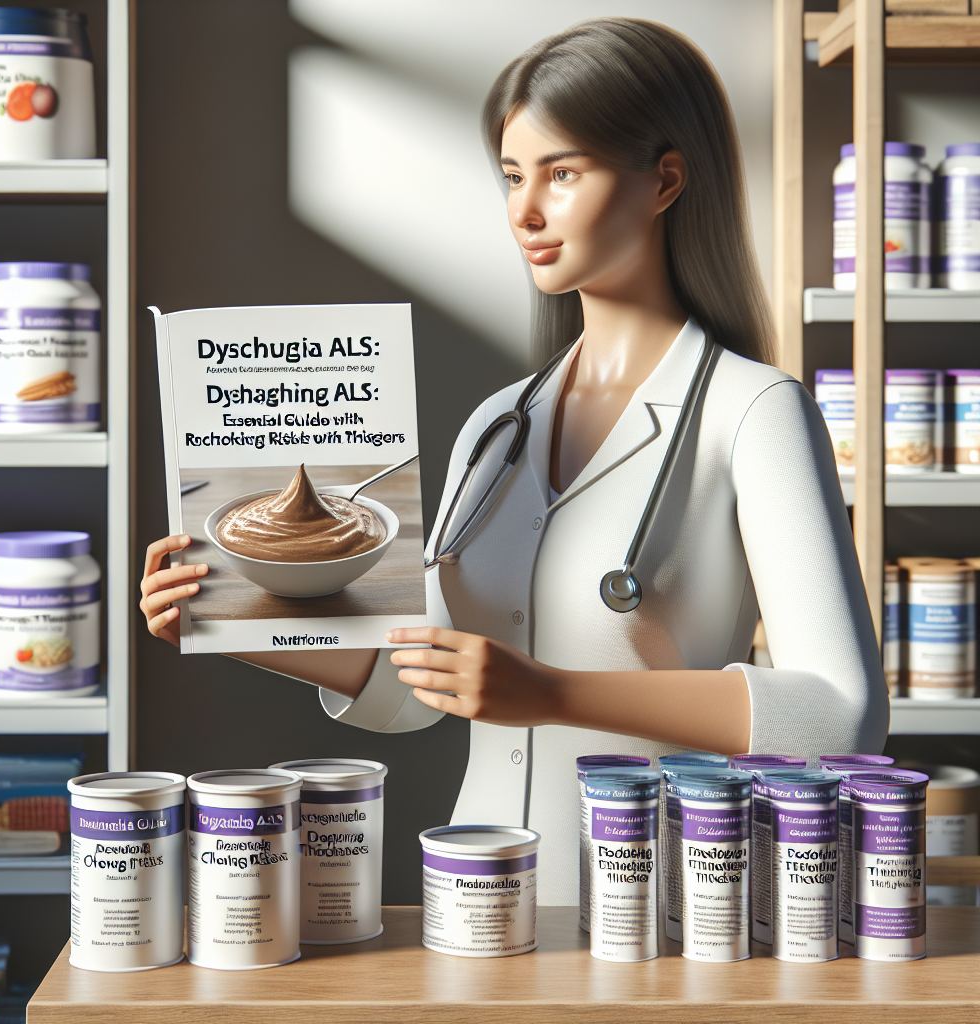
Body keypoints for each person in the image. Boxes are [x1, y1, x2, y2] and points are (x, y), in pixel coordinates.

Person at [141, 18, 887, 906]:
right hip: (479, 898)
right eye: (511, 176)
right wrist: (227, 611)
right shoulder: (500, 424)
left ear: (666, 180)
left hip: (662, 913)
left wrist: (554, 693)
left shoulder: (755, 411)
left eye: (562, 173)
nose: (524, 212)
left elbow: (840, 715)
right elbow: (416, 689)